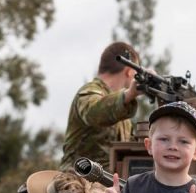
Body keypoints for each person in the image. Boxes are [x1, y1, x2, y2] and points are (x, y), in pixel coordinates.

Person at [60, 42, 145, 171]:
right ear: (129, 72)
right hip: (79, 179)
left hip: (111, 183)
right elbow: (92, 113)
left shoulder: (122, 111)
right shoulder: (89, 92)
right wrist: (129, 95)